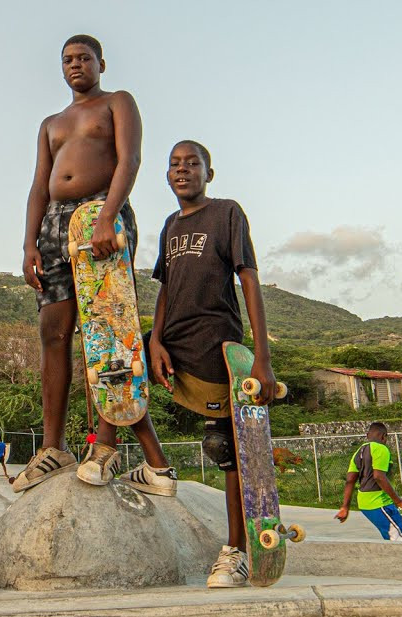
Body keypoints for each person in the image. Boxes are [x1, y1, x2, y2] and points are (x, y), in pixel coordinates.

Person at [14, 33, 176, 497]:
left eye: (84, 57)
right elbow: (38, 185)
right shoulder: (50, 123)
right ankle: (53, 447)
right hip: (54, 223)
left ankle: (106, 445)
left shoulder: (117, 102)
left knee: (109, 329)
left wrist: (108, 215)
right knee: (53, 332)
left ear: (100, 63)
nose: (75, 64)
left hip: (99, 216)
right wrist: (28, 243)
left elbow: (130, 159)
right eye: (67, 59)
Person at [147, 140, 280, 588]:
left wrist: (261, 357)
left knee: (224, 448)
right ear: (167, 175)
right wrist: (155, 341)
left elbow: (249, 280)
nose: (182, 170)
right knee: (117, 370)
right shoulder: (169, 225)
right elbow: (166, 288)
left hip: (215, 344)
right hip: (173, 342)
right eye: (175, 164)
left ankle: (236, 551)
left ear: (209, 173)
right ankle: (154, 465)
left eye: (193, 163)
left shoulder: (226, 213)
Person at [335, 422, 402, 541]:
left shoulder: (359, 452)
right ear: (384, 437)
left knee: (393, 536)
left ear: (367, 435)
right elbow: (378, 477)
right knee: (400, 540)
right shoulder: (381, 449)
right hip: (379, 503)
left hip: (365, 504)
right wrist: (399, 502)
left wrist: (345, 507)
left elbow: (350, 480)